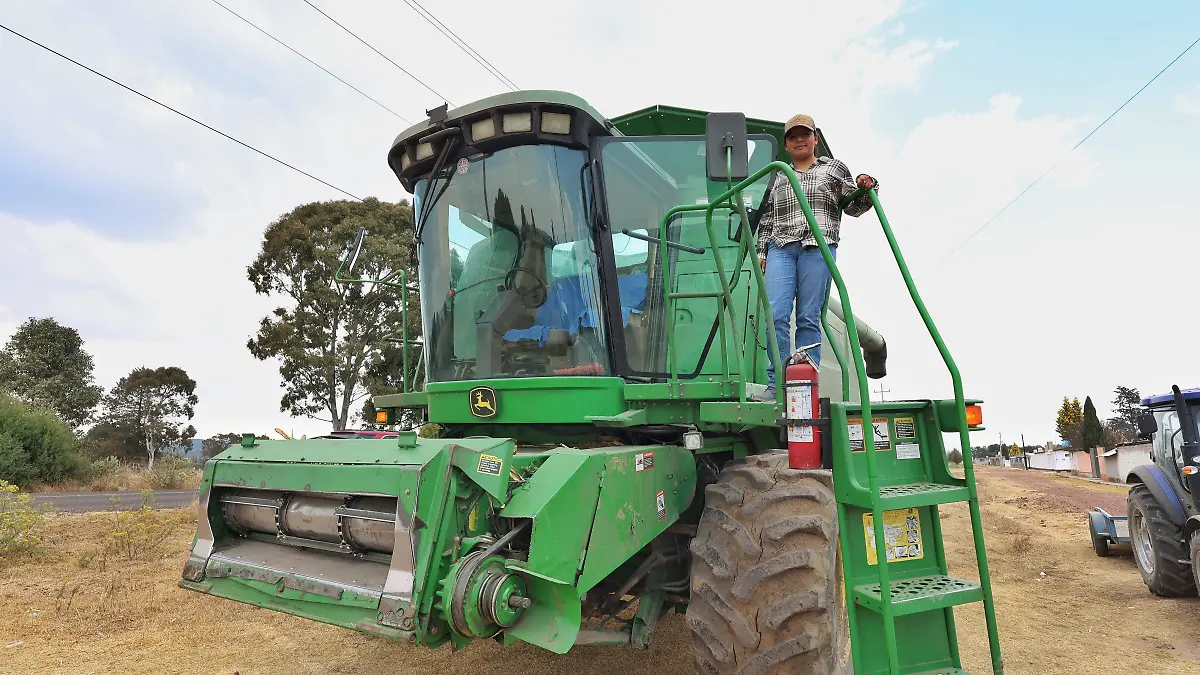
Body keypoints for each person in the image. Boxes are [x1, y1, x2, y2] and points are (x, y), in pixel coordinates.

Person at [753, 114, 877, 400]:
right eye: (793, 136)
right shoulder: (778, 174)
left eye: (805, 134)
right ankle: (777, 383)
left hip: (817, 246)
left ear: (815, 139)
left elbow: (854, 206)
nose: (799, 140)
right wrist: (761, 251)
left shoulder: (833, 168)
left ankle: (804, 385)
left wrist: (867, 186)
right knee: (775, 315)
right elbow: (768, 218)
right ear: (786, 144)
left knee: (808, 316)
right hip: (781, 247)